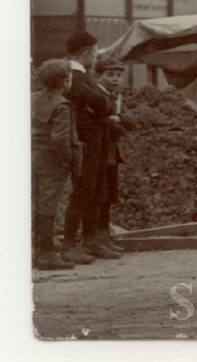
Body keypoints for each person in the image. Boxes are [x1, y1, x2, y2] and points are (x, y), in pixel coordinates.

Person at [61, 32, 119, 264]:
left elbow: (102, 103)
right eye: (94, 53)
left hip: (95, 142)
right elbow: (98, 101)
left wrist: (102, 105)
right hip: (86, 143)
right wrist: (104, 105)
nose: (95, 58)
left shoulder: (84, 75)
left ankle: (91, 240)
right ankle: (69, 245)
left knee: (95, 190)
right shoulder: (74, 76)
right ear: (86, 53)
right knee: (82, 191)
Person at [32, 59, 83, 270]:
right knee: (49, 206)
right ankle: (46, 253)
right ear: (64, 81)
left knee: (36, 203)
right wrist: (68, 159)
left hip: (33, 157)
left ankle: (38, 251)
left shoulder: (32, 98)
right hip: (52, 162)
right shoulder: (62, 104)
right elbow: (60, 139)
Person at [95, 57, 130, 256]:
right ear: (99, 76)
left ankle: (104, 235)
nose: (115, 79)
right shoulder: (97, 96)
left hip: (111, 151)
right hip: (99, 150)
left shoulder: (116, 97)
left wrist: (120, 119)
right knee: (99, 194)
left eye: (118, 75)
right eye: (110, 75)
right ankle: (96, 238)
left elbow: (127, 121)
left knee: (109, 194)